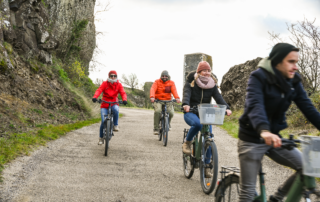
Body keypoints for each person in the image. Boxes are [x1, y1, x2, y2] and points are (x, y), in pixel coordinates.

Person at [238, 43, 320, 202]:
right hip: (252, 138)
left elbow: (308, 108)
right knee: (247, 192)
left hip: (275, 139)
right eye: (291, 62)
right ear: (277, 61)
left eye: (296, 62)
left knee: (307, 168)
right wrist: (264, 130)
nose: (295, 67)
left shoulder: (294, 81)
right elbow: (255, 105)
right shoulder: (258, 77)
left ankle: (277, 198)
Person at [182, 61, 232, 177]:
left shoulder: (212, 84)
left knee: (209, 136)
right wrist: (185, 104)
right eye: (204, 70)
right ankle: (187, 142)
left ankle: (207, 166)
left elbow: (219, 98)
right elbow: (186, 93)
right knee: (198, 124)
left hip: (205, 112)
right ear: (199, 72)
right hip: (191, 111)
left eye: (209, 71)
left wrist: (226, 108)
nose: (207, 73)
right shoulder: (192, 82)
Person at [92, 70, 128, 145]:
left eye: (115, 76)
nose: (113, 77)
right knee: (103, 121)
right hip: (104, 104)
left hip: (114, 103)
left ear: (116, 77)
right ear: (109, 76)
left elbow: (122, 92)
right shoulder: (105, 83)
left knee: (116, 109)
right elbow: (99, 90)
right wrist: (95, 97)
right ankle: (101, 138)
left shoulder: (119, 84)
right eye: (111, 76)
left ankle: (115, 125)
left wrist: (124, 99)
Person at [150, 70, 181, 135]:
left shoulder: (171, 83)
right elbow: (153, 89)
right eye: (163, 76)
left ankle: (168, 123)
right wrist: (152, 96)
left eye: (166, 76)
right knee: (157, 111)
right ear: (161, 76)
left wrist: (177, 98)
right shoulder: (157, 82)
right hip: (158, 100)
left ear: (168, 76)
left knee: (171, 113)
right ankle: (156, 128)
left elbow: (174, 91)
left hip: (168, 100)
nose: (164, 77)